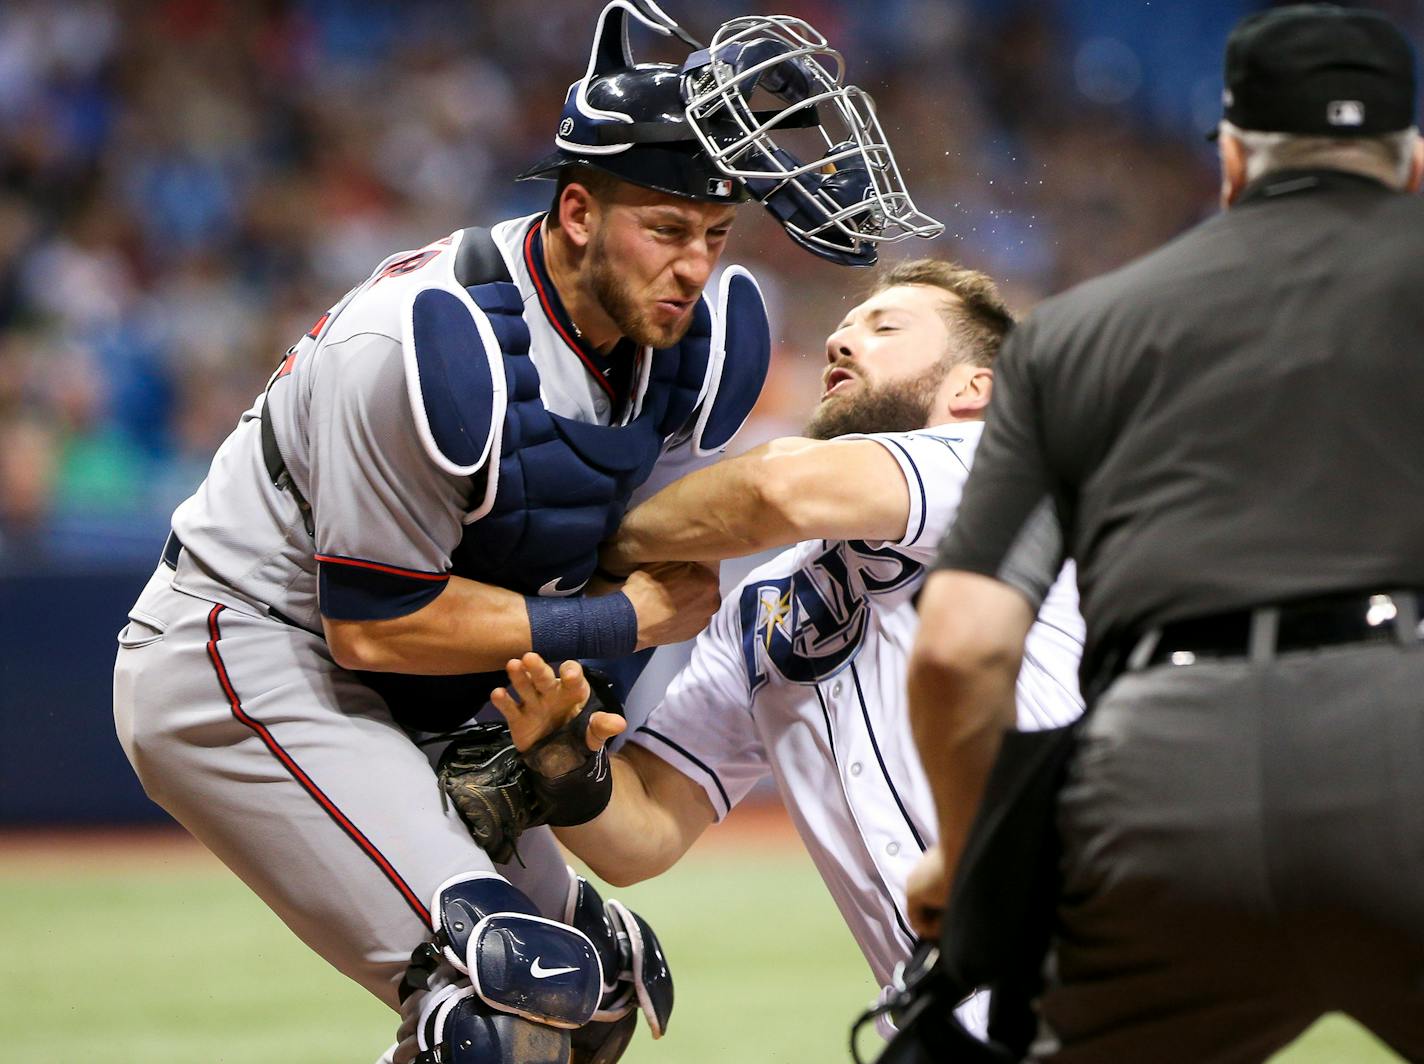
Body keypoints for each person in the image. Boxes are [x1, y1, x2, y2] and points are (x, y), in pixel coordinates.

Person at [110, 4, 941, 1062]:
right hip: (248, 647)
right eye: (667, 228)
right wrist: (606, 618)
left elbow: (645, 552)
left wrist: (560, 710)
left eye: (714, 234)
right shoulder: (424, 341)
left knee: (595, 998)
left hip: (433, 671)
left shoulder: (705, 338)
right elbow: (374, 623)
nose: (694, 265)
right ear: (579, 211)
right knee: (507, 985)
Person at [904, 6, 1424, 1062]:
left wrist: (968, 870)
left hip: (1155, 786)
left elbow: (958, 647)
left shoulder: (1072, 331)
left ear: (1229, 159)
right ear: (1411, 162)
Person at [481, 258, 1084, 1042]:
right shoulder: (762, 606)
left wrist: (595, 546)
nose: (842, 337)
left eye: (885, 327)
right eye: (845, 324)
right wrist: (565, 767)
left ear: (975, 388)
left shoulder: (998, 469)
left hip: (1097, 985)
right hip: (942, 1021)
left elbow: (774, 490)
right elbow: (647, 834)